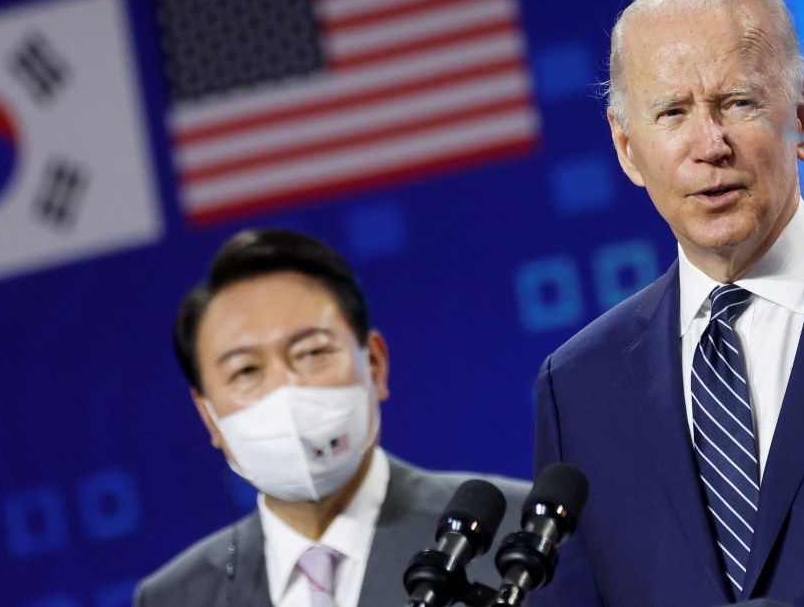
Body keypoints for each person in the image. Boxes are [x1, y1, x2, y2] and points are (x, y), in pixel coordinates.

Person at [533, 0, 804, 606]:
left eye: (738, 102)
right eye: (671, 113)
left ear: (803, 117)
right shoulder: (578, 387)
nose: (710, 145)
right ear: (627, 149)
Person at [135, 228, 530, 606]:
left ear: (374, 365)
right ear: (208, 416)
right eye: (246, 371)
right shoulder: (173, 598)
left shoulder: (518, 538)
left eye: (311, 353)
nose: (283, 388)